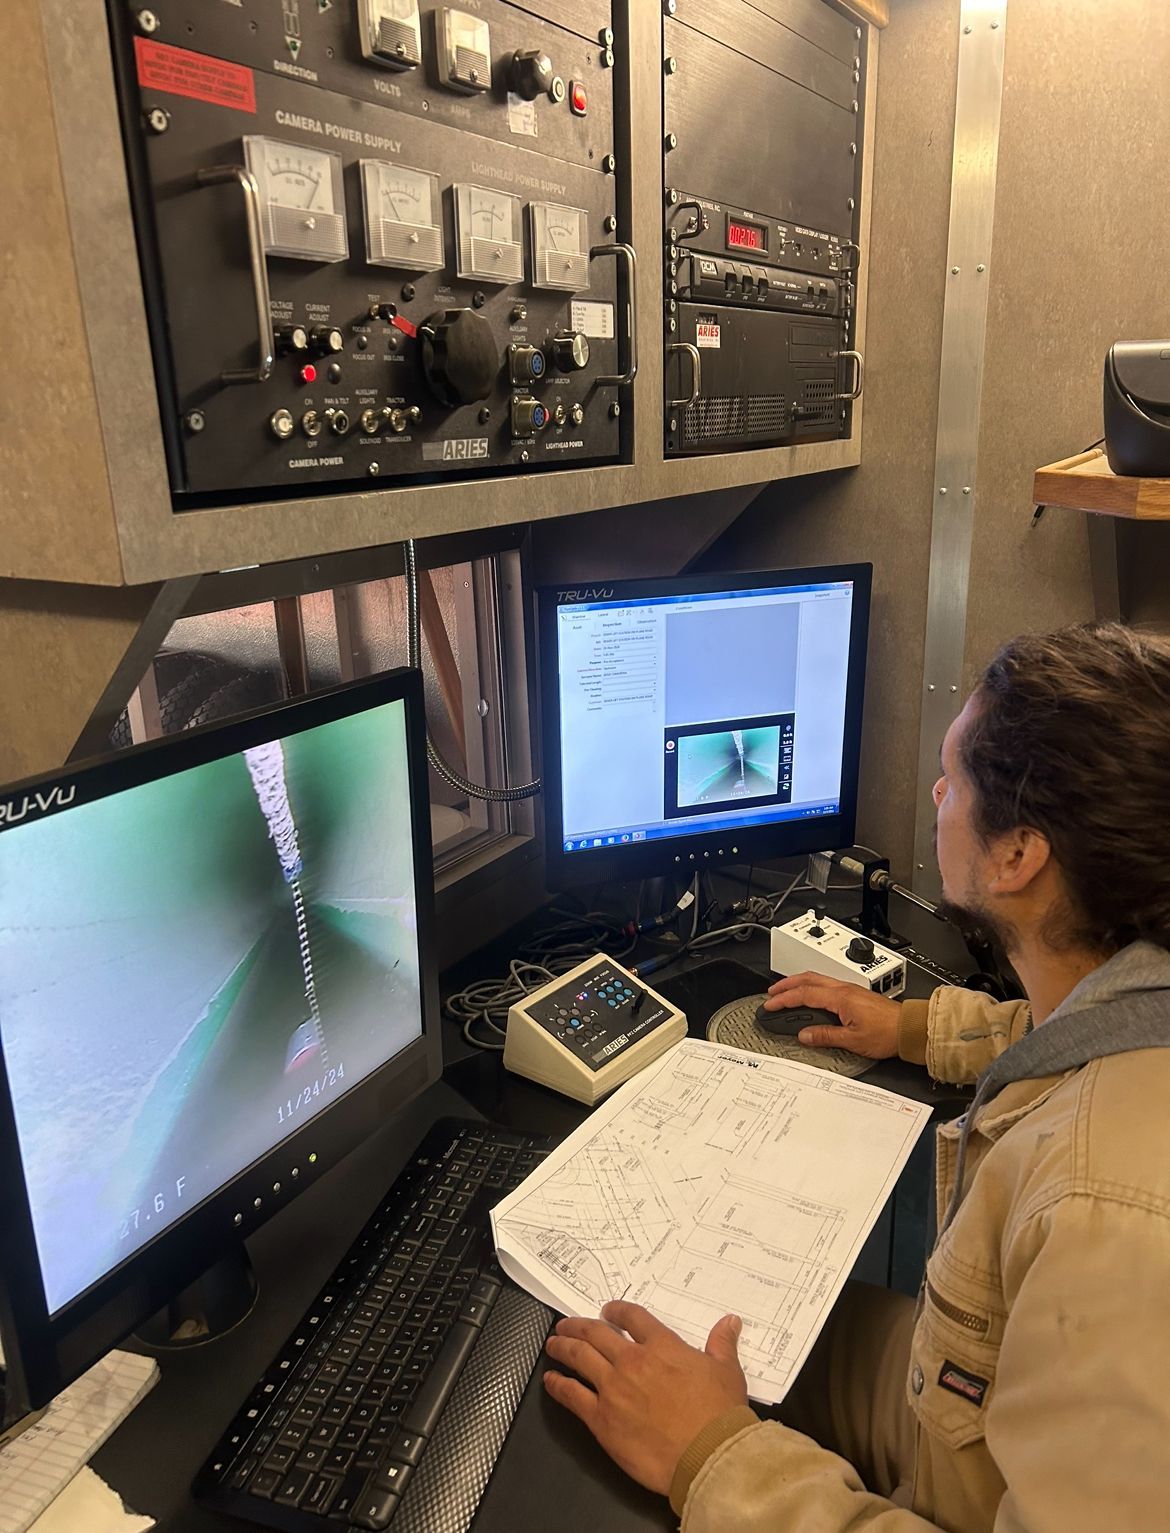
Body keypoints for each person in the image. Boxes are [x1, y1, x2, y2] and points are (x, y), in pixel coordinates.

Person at [542, 623, 1170, 1531]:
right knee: (708, 1322)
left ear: (1018, 855)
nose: (935, 791)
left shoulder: (1110, 1214)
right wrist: (913, 1025)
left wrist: (715, 1456)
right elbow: (1058, 1034)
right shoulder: (1131, 986)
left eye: (954, 779)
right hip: (961, 1408)